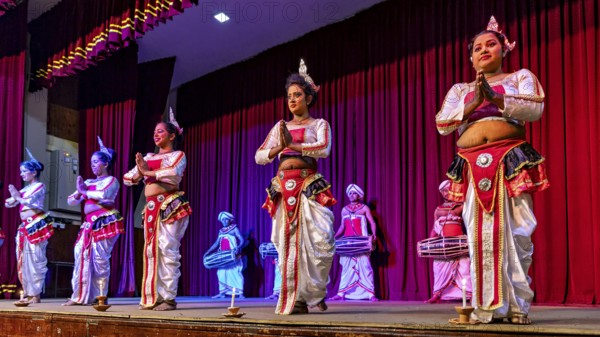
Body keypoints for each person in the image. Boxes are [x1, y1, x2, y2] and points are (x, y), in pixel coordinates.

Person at [436, 16, 549, 324]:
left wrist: (498, 98)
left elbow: (535, 107)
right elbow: (443, 124)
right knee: (477, 235)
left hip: (510, 161)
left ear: (504, 49)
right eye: (477, 48)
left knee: (516, 233)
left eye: (491, 44)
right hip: (472, 164)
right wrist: (474, 103)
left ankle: (516, 307)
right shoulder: (460, 90)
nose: (484, 50)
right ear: (471, 58)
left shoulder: (520, 77)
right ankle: (487, 306)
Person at [255, 59, 336, 315]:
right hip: (282, 186)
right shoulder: (280, 128)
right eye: (289, 96)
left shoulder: (319, 124)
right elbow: (259, 155)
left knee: (321, 242)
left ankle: (315, 292)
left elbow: (324, 148)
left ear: (308, 98)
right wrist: (281, 146)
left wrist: (296, 145)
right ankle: (297, 298)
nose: (292, 100)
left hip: (308, 185)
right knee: (283, 242)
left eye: (297, 95)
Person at [123, 109, 192, 311]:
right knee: (152, 252)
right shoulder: (149, 156)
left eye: (160, 131)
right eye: (155, 131)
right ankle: (154, 296)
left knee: (168, 250)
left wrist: (147, 173)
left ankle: (168, 298)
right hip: (152, 207)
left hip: (171, 204)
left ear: (172, 135)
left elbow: (173, 173)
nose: (156, 134)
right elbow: (128, 178)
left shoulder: (178, 155)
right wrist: (140, 173)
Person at [62, 137, 124, 305]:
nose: (92, 165)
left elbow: (104, 195)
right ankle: (79, 296)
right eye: (91, 162)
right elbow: (71, 201)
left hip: (105, 221)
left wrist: (85, 192)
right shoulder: (88, 182)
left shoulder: (111, 180)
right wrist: (79, 192)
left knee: (99, 259)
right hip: (88, 224)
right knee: (80, 256)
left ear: (105, 163)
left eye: (96, 162)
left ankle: (100, 296)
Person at [4, 149, 54, 304]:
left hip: (36, 225)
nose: (21, 174)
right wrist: (13, 196)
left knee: (35, 259)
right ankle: (27, 292)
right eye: (21, 171)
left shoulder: (40, 186)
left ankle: (35, 294)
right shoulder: (25, 189)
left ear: (34, 172)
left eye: (24, 171)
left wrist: (17, 197)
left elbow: (30, 202)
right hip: (24, 226)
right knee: (23, 260)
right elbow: (9, 203)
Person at [425, 180, 471, 304]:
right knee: (438, 266)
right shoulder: (438, 209)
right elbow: (435, 228)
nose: (446, 193)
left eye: (448, 189)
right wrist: (430, 243)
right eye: (443, 191)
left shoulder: (462, 206)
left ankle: (469, 295)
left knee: (465, 267)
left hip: (460, 243)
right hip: (444, 245)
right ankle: (437, 294)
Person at [330, 184, 378, 301]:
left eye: (354, 193)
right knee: (347, 268)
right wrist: (334, 237)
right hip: (348, 244)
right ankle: (341, 293)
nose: (352, 195)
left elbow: (372, 222)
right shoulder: (344, 210)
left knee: (365, 266)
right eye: (350, 193)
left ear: (359, 195)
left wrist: (374, 234)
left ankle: (370, 294)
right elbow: (342, 226)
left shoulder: (364, 208)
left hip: (361, 243)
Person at [205, 211, 245, 299]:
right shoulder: (221, 231)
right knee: (221, 273)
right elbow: (216, 243)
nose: (224, 221)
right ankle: (222, 292)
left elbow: (242, 240)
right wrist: (207, 252)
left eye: (225, 219)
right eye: (222, 220)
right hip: (223, 256)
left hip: (232, 255)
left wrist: (238, 247)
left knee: (235, 272)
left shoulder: (234, 228)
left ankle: (240, 293)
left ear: (230, 220)